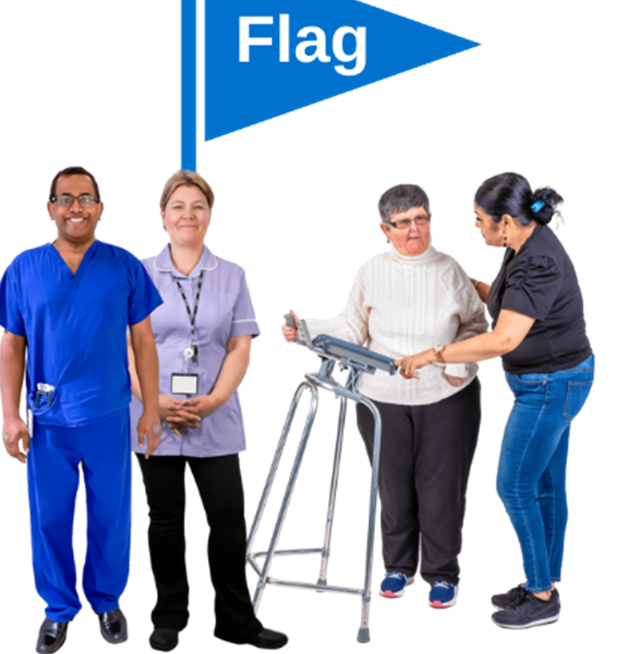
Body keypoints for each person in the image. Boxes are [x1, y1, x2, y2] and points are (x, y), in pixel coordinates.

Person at [394, 172, 595, 631]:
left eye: (480, 219)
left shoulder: (537, 261)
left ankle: (542, 596)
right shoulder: (524, 241)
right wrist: (457, 280)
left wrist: (434, 354)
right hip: (555, 379)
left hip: (551, 385)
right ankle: (544, 582)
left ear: (506, 221)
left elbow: (502, 337)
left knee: (514, 485)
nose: (475, 225)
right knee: (544, 483)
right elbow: (507, 302)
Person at [282, 182, 489, 612]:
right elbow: (352, 327)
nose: (414, 230)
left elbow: (477, 327)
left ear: (430, 219)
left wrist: (455, 366)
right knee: (392, 486)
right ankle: (397, 566)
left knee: (441, 488)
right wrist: (307, 331)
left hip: (446, 397)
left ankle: (441, 574)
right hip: (381, 397)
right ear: (385, 229)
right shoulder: (372, 271)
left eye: (421, 219)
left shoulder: (449, 268)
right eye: (403, 223)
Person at [0, 165, 163, 654]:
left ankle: (108, 602)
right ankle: (57, 610)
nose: (76, 207)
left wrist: (150, 408)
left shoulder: (124, 266)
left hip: (109, 414)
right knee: (49, 516)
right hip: (47, 420)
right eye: (66, 198)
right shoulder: (23, 270)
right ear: (50, 208)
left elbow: (144, 343)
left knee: (111, 514)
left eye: (86, 198)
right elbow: (11, 345)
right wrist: (10, 416)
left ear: (100, 208)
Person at [127, 170, 289, 652]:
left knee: (227, 517)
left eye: (198, 206)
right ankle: (169, 617)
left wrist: (214, 399)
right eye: (178, 206)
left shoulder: (232, 274)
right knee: (163, 518)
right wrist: (153, 400)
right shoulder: (137, 272)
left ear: (210, 216)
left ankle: (236, 620)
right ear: (162, 217)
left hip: (215, 415)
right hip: (153, 415)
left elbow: (241, 346)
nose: (188, 215)